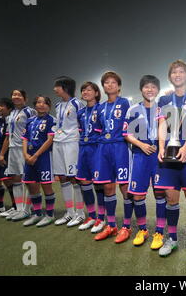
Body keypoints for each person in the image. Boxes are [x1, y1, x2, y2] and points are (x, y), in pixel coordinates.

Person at [154, 60, 186, 260]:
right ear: (170, 77)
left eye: (181, 71)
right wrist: (160, 146)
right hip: (168, 152)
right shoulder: (164, 100)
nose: (177, 74)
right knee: (170, 197)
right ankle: (172, 239)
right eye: (174, 72)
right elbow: (161, 124)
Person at [124, 75, 167, 248]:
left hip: (158, 155)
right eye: (146, 87)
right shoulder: (133, 109)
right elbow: (127, 134)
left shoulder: (163, 109)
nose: (150, 90)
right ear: (141, 89)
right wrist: (141, 145)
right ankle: (142, 229)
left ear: (158, 90)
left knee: (160, 194)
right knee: (138, 194)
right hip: (140, 155)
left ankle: (159, 232)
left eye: (153, 87)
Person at [93, 71, 132, 243]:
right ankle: (111, 225)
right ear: (103, 87)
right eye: (106, 83)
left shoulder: (125, 103)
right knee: (108, 187)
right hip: (104, 148)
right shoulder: (99, 107)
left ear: (119, 86)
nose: (110, 85)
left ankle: (126, 226)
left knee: (124, 187)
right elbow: (98, 130)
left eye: (113, 82)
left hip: (120, 147)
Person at [53, 76, 86, 227]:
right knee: (62, 177)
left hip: (72, 142)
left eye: (57, 86)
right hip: (58, 142)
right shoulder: (58, 105)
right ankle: (70, 212)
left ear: (65, 87)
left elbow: (82, 123)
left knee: (74, 178)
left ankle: (80, 214)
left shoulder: (77, 103)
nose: (55, 89)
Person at [0, 89, 36, 221]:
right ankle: (19, 208)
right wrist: (2, 154)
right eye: (14, 94)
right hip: (13, 149)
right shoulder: (12, 113)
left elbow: (34, 130)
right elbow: (8, 136)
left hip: (24, 148)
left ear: (24, 98)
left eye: (19, 95)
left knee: (26, 179)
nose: (16, 97)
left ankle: (27, 209)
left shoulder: (30, 111)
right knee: (15, 179)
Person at [22, 96, 57, 227]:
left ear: (49, 106)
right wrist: (25, 154)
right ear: (35, 105)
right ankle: (37, 214)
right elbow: (24, 138)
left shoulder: (51, 120)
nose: (41, 105)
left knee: (46, 185)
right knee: (32, 186)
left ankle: (49, 214)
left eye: (45, 103)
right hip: (29, 156)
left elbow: (50, 140)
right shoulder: (30, 120)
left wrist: (35, 155)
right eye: (38, 102)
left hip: (43, 156)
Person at [75, 82, 105, 233]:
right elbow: (81, 130)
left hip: (96, 148)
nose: (85, 92)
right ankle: (91, 216)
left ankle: (101, 217)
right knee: (84, 182)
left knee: (98, 183)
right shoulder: (80, 112)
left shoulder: (102, 108)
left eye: (89, 90)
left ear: (96, 93)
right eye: (83, 90)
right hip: (83, 148)